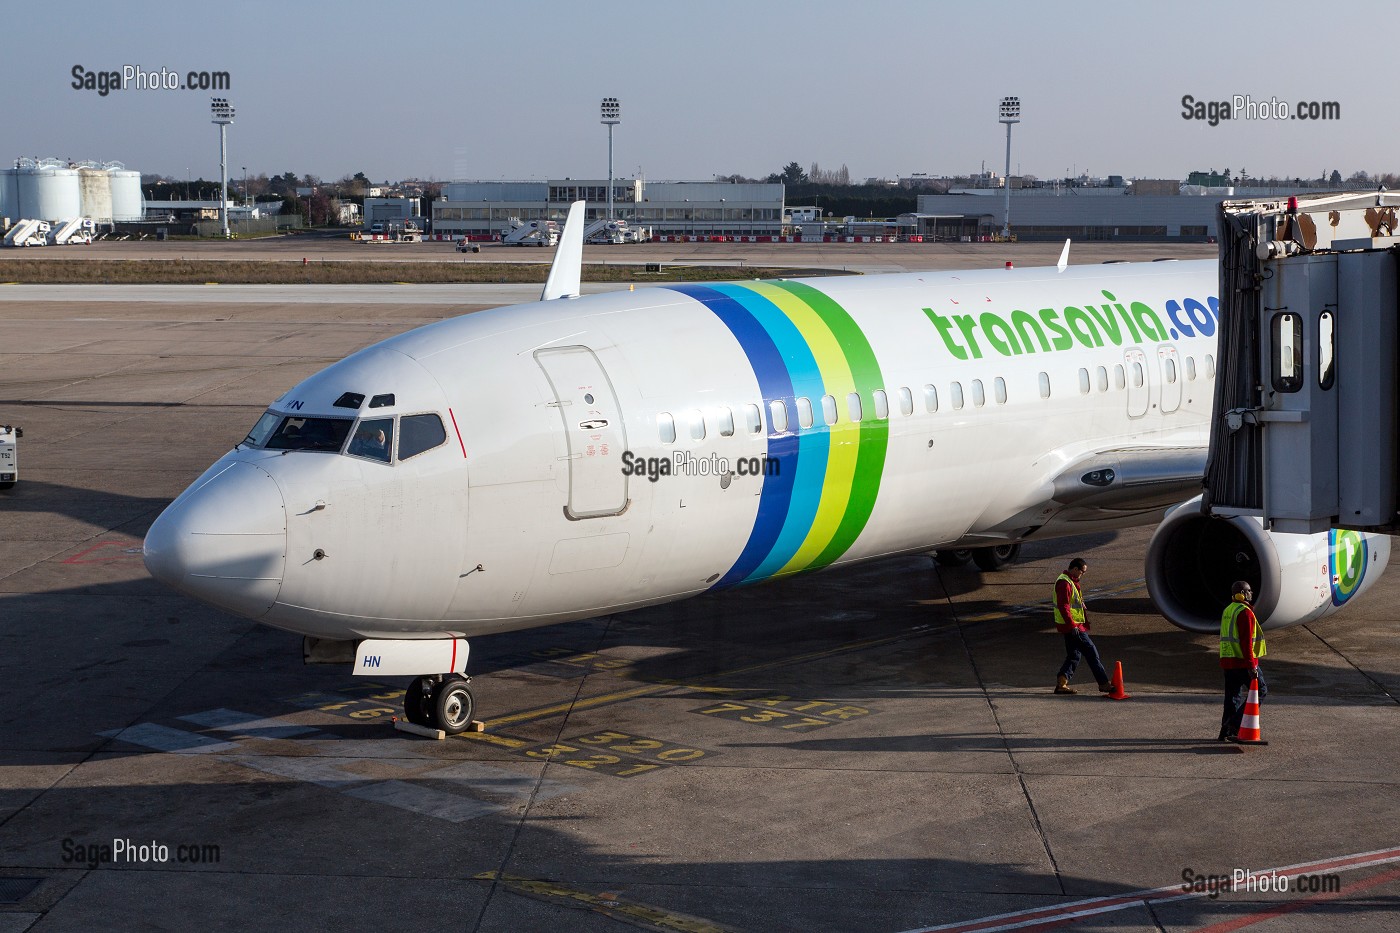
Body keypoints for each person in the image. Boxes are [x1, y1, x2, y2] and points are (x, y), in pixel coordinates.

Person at [1053, 557, 1112, 694]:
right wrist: (1072, 625)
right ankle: (1103, 683)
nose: (1083, 574)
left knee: (1074, 655)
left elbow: (1071, 602)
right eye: (1082, 572)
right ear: (1075, 569)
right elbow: (1064, 606)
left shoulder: (1070, 581)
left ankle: (1061, 683)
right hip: (1073, 626)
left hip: (1072, 625)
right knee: (1091, 652)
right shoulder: (1064, 583)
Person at [1219, 580, 1267, 742]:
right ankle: (1235, 723)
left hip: (1228, 661)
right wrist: (1251, 665)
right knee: (1261, 691)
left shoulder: (1228, 610)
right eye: (1249, 591)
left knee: (1232, 697)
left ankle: (1225, 731)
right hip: (1242, 662)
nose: (1251, 593)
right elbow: (1246, 642)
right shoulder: (1245, 612)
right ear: (1242, 593)